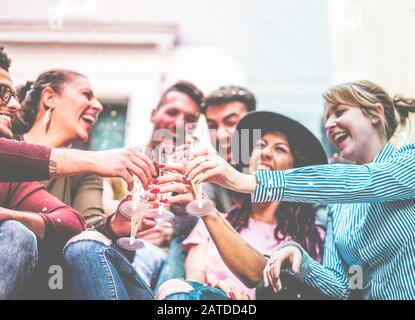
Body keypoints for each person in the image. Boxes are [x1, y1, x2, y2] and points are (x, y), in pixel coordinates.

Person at [180, 80, 415, 300]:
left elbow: (366, 181)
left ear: (376, 113)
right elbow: (341, 287)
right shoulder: (338, 207)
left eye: (339, 112)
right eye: (327, 117)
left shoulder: (409, 160)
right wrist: (299, 257)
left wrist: (244, 181)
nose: (329, 124)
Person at [155, 111, 326, 300]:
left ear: (293, 170)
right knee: (174, 287)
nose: (266, 153)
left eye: (280, 149)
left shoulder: (310, 236)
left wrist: (208, 211)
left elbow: (262, 278)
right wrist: (212, 289)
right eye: (261, 145)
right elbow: (193, 274)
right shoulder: (215, 221)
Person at [63, 80, 204, 299]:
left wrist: (171, 229)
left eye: (190, 119)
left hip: (166, 271)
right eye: (172, 112)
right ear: (153, 113)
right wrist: (133, 220)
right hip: (117, 258)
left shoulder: (193, 177)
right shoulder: (120, 160)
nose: (179, 123)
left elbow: (199, 231)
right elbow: (96, 206)